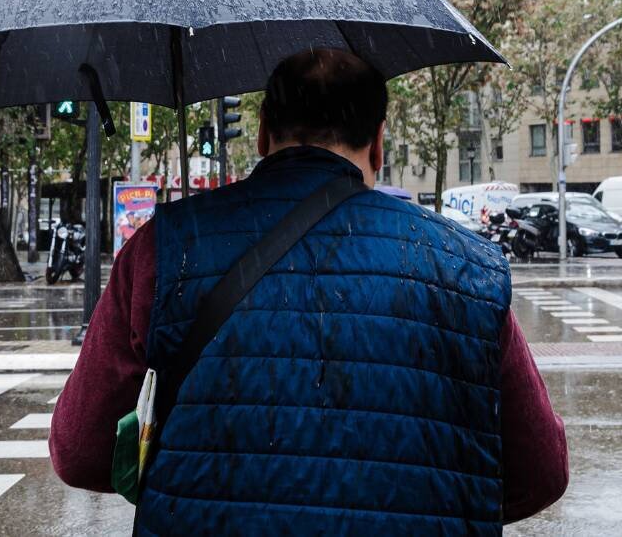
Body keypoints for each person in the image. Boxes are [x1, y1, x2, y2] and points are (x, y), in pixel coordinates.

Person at [50, 48, 568, 534]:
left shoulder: (160, 251)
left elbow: (80, 452)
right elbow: (539, 473)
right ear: (379, 142)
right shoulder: (468, 266)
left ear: (261, 133)